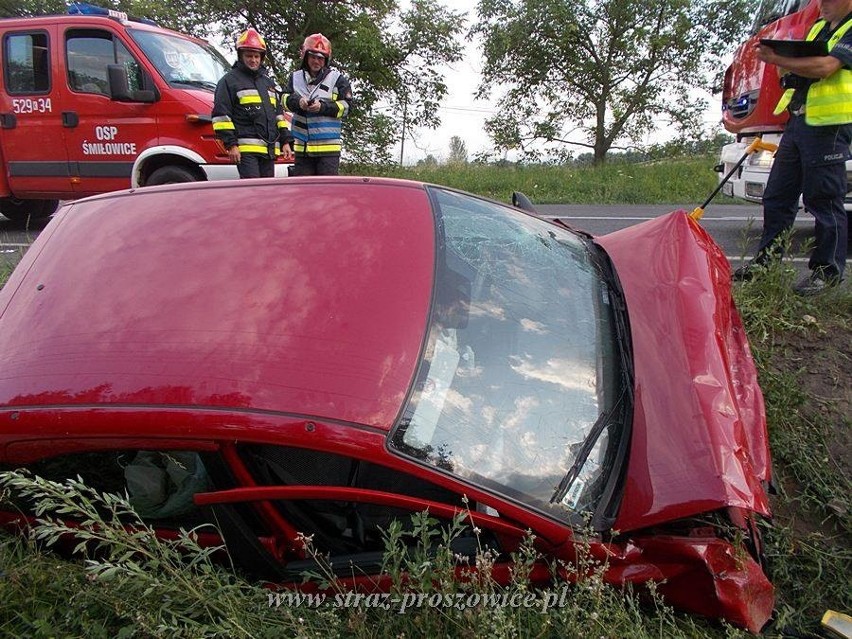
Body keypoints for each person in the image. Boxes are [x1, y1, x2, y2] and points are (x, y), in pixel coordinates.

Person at [734, 0, 852, 295]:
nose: (821, 5)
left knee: (823, 199)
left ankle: (827, 273)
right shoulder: (820, 28)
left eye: (828, 0)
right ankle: (765, 265)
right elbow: (803, 68)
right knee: (777, 195)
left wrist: (777, 59)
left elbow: (826, 67)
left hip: (830, 125)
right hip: (799, 120)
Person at [212, 28, 293, 178]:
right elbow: (221, 117)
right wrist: (231, 144)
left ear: (262, 58)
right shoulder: (229, 81)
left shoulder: (268, 83)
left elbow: (278, 116)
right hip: (245, 150)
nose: (253, 60)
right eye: (249, 55)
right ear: (240, 55)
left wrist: (285, 141)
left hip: (268, 150)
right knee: (252, 193)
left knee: (267, 194)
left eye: (256, 56)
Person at [282, 33, 352, 176]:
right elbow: (283, 100)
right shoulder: (295, 77)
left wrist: (323, 107)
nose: (316, 61)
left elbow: (347, 107)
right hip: (303, 148)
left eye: (320, 58)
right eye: (313, 57)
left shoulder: (337, 79)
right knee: (303, 194)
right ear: (306, 56)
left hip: (328, 150)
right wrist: (298, 103)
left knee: (327, 194)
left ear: (326, 60)